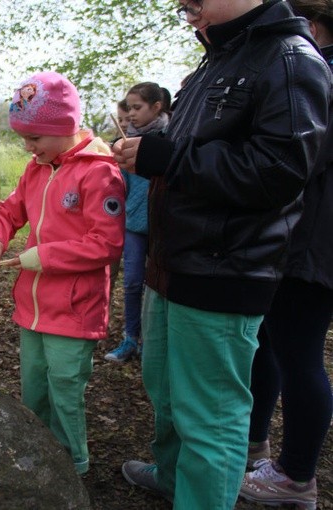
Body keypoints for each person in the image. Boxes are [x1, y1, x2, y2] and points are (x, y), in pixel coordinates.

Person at [112, 1, 331, 509]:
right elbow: (209, 145)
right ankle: (173, 476)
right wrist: (158, 148)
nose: (182, 4)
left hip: (225, 270)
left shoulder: (290, 59)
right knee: (167, 392)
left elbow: (280, 169)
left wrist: (168, 157)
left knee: (210, 416)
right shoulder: (222, 55)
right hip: (172, 264)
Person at [0, 71, 125, 474]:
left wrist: (45, 256)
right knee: (35, 386)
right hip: (33, 305)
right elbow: (11, 209)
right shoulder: (36, 168)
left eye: (35, 138)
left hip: (75, 309)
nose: (29, 147)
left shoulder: (99, 172)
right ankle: (39, 453)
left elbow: (107, 244)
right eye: (24, 138)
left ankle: (73, 463)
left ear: (64, 127)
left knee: (64, 388)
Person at [239, 1, 333, 508]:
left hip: (314, 243)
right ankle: (258, 445)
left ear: (313, 28)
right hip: (302, 240)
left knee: (300, 355)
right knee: (272, 343)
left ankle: (296, 478)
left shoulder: (314, 72)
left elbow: (298, 160)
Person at [104, 83, 169, 363]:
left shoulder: (170, 139)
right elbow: (119, 188)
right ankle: (130, 338)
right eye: (128, 108)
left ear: (157, 107)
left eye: (137, 108)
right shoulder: (126, 141)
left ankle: (152, 344)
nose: (130, 114)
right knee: (131, 283)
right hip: (132, 225)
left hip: (161, 227)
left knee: (155, 288)